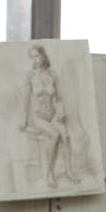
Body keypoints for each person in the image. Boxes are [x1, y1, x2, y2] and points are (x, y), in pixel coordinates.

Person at [19, 44, 76, 187]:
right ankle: (49, 173)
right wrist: (24, 120)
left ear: (43, 56)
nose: (35, 59)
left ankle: (69, 171)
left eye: (37, 56)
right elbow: (25, 100)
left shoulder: (53, 74)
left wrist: (61, 111)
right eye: (32, 57)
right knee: (55, 135)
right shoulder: (29, 76)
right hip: (37, 117)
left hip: (53, 114)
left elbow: (59, 97)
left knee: (65, 135)